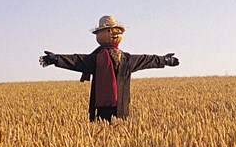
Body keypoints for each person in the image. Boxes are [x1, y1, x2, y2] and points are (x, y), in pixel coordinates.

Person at [39, 15, 179, 121]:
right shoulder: (97, 58)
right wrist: (56, 59)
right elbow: (77, 60)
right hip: (102, 108)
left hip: (122, 107)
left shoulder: (126, 59)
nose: (115, 33)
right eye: (110, 30)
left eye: (116, 30)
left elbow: (146, 60)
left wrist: (164, 60)